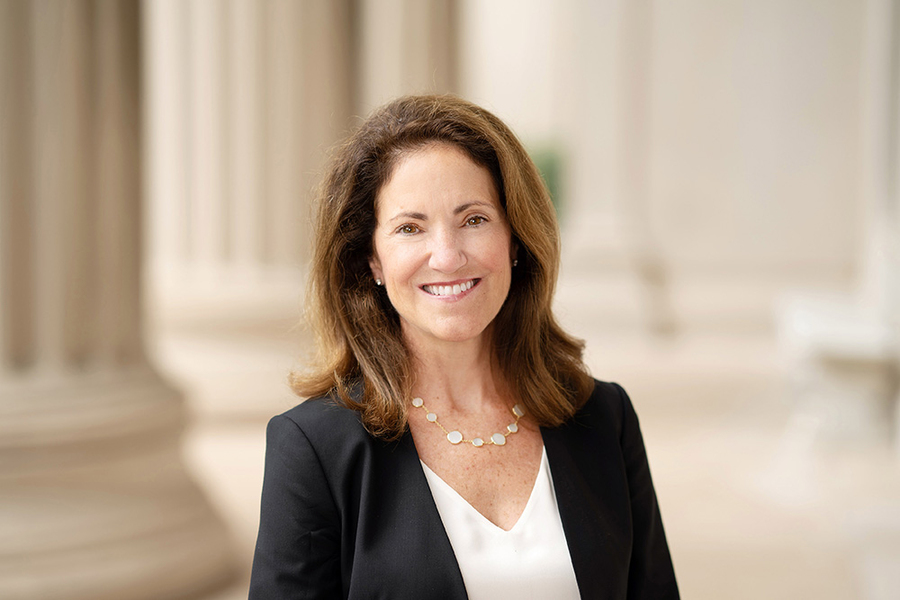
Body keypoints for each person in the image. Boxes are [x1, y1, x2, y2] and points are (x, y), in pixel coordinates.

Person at [249, 95, 679, 599]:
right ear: (372, 261)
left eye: (473, 219)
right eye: (410, 228)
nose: (448, 257)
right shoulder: (313, 448)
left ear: (515, 237)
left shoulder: (604, 417)